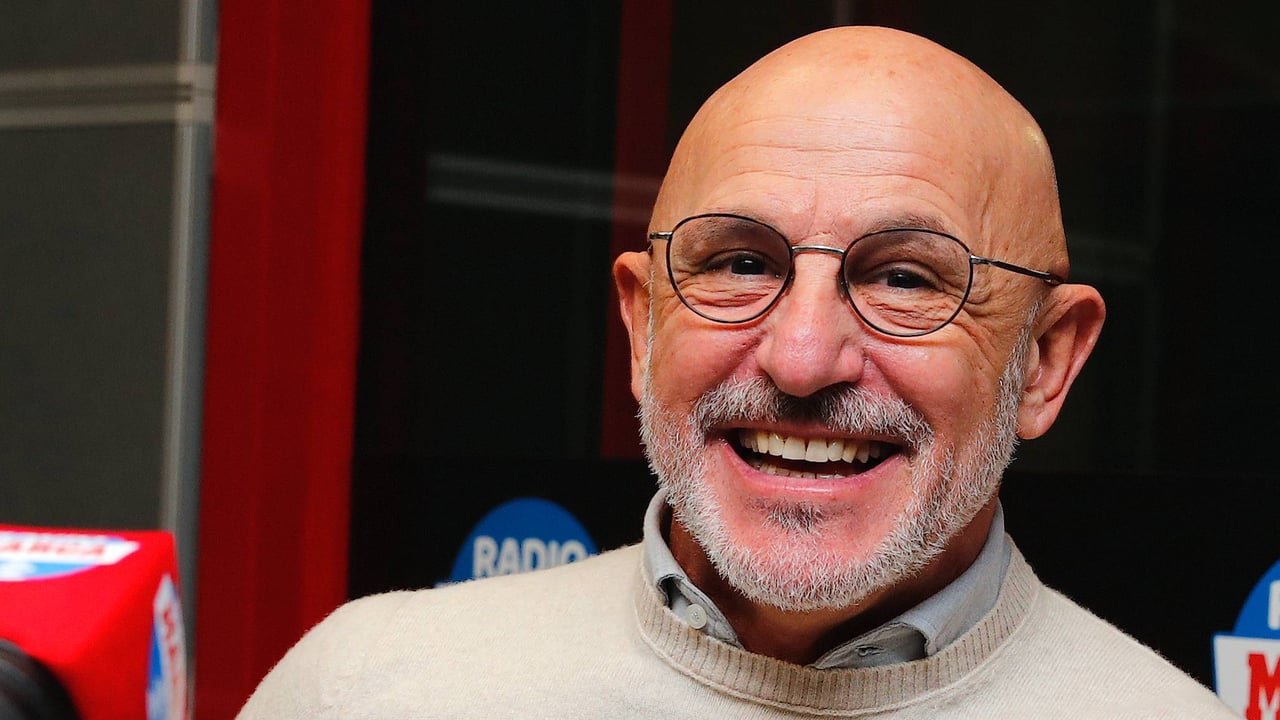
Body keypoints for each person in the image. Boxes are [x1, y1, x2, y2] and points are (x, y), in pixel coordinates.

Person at [236, 26, 1236, 718]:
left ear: (1045, 362)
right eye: (741, 264)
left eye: (903, 278)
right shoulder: (368, 691)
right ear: (642, 328)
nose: (800, 359)